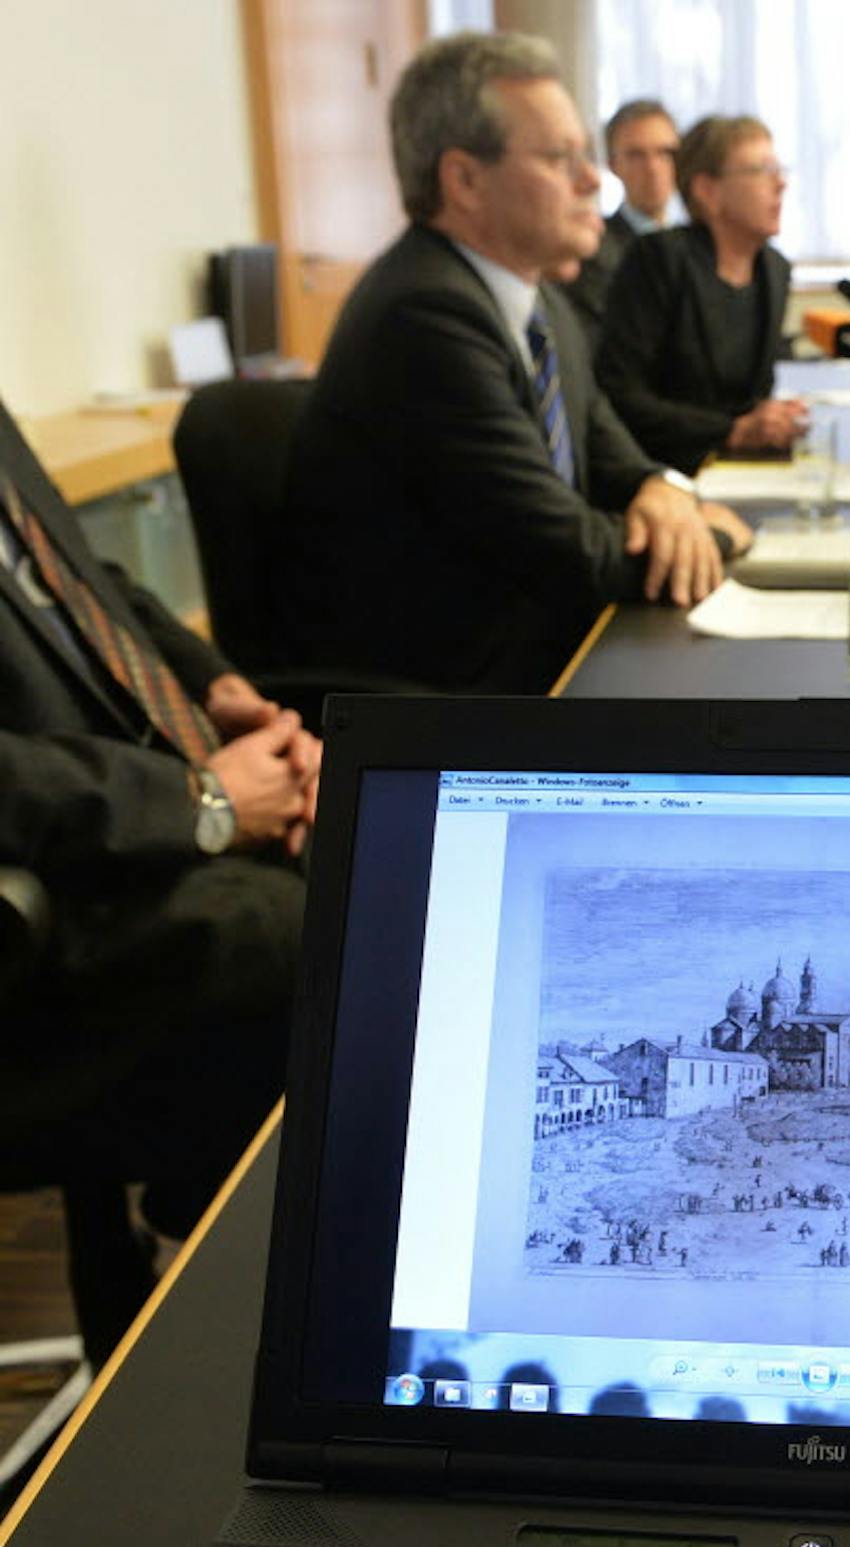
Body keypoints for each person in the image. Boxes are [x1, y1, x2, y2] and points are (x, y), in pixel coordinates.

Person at [283, 32, 743, 697]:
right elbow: (568, 554)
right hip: (450, 690)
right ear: (465, 180)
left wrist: (663, 489)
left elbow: (612, 452)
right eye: (562, 158)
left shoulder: (537, 300)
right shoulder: (424, 316)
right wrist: (713, 534)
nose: (594, 180)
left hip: (533, 650)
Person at [0, 390, 317, 1252]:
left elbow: (88, 584)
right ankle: (213, 1288)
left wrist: (217, 694)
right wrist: (200, 806)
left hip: (100, 828)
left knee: (377, 855)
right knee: (313, 947)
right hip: (33, 907)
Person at [597, 114, 805, 469]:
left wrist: (772, 418)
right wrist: (731, 429)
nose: (780, 184)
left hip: (736, 466)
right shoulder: (659, 258)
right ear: (708, 191)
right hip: (658, 466)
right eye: (761, 170)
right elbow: (619, 395)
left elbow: (752, 396)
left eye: (779, 168)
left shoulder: (774, 269)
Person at [559, 98, 681, 345]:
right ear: (614, 165)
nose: (653, 168)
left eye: (665, 153)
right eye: (637, 155)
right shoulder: (591, 250)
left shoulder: (695, 247)